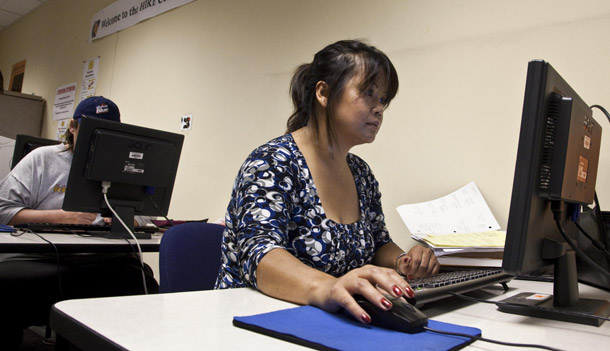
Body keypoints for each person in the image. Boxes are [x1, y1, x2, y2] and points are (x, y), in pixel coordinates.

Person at [215, 40, 440, 325]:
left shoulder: (361, 173)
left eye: (383, 99)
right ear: (323, 93)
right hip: (253, 320)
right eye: (368, 93)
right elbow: (260, 255)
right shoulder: (271, 162)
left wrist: (403, 262)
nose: (379, 108)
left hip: (332, 320)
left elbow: (379, 243)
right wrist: (329, 288)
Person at [0, 96, 158, 349]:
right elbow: (3, 210)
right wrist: (62, 217)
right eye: (90, 129)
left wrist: (121, 217)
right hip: (45, 258)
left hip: (106, 260)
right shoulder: (42, 159)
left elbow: (145, 219)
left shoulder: (127, 168)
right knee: (6, 283)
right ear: (72, 128)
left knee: (143, 284)